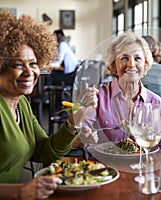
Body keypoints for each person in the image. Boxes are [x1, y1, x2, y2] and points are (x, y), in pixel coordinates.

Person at [0, 11, 98, 200]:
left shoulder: (21, 104)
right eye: (18, 65)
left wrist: (74, 120)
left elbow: (47, 152)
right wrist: (20, 191)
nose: (29, 72)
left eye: (33, 63)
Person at [72, 32, 161, 151]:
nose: (131, 64)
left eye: (137, 58)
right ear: (113, 65)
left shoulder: (156, 102)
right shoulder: (97, 96)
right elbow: (74, 142)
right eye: (124, 58)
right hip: (104, 167)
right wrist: (83, 137)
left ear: (145, 65)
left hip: (142, 167)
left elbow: (160, 146)